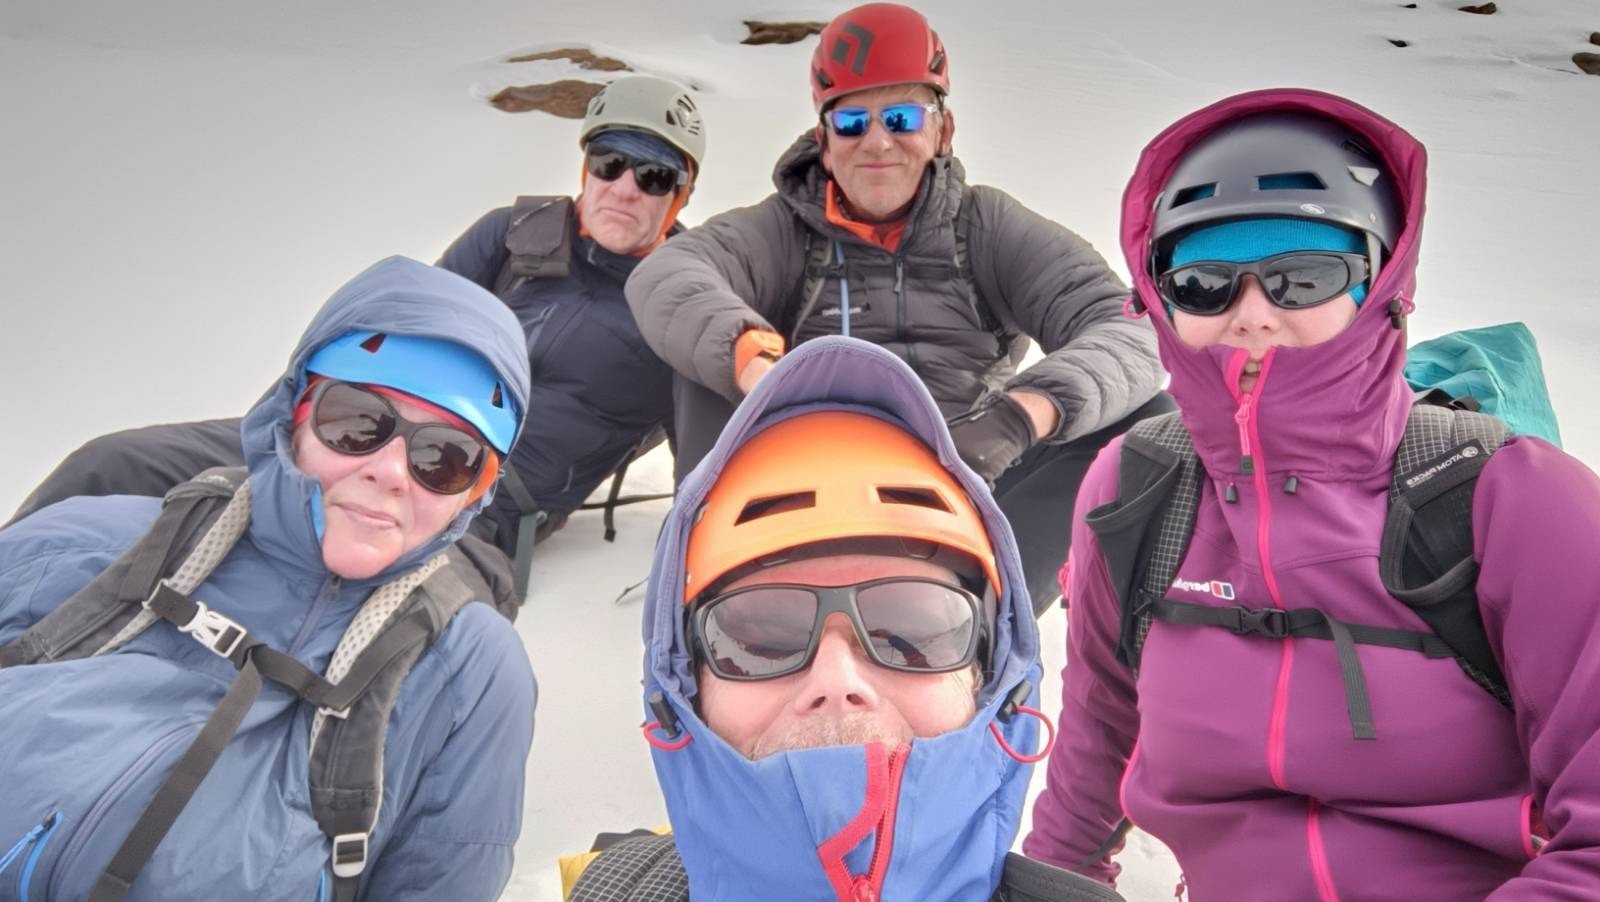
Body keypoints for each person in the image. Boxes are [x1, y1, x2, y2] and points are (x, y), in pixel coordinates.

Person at [1023, 88, 1600, 899]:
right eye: (1202, 282)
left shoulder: (1519, 503)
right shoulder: (1138, 490)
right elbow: (1095, 750)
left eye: (1303, 276)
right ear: (1158, 300)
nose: (1252, 315)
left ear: (1381, 284)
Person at [7, 74, 705, 599]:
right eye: (610, 165)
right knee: (109, 465)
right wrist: (291, 428)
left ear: (680, 196)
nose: (624, 189)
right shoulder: (513, 234)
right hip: (349, 433)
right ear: (585, 170)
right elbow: (390, 326)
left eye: (652, 176)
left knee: (330, 610)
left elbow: (701, 459)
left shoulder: (677, 302)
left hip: (465, 499)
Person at [0, 256, 535, 901]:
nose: (392, 471)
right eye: (358, 421)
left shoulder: (471, 671)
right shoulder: (91, 541)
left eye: (445, 458)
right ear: (294, 415)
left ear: (475, 494)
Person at [624, 3, 1169, 613]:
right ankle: (715, 587)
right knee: (710, 355)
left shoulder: (985, 227)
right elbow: (669, 275)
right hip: (803, 490)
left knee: (1149, 418)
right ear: (824, 143)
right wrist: (762, 370)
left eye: (902, 116)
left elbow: (1128, 326)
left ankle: (993, 612)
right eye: (853, 121)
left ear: (942, 130)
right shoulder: (783, 230)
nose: (877, 141)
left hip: (961, 483)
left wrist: (1017, 418)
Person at [562, 337, 1122, 901]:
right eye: (760, 638)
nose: (836, 683)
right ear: (682, 692)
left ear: (994, 681)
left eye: (911, 633)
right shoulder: (611, 890)